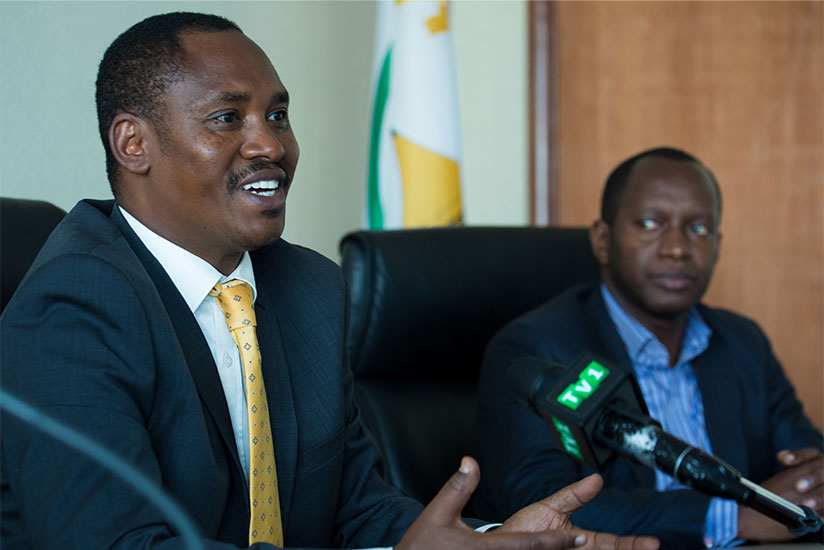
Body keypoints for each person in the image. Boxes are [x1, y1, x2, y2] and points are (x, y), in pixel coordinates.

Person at [0, 12, 660, 550]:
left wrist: (473, 542)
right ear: (133, 144)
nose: (272, 145)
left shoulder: (308, 288)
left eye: (278, 115)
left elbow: (356, 509)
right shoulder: (76, 302)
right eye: (229, 118)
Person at [475, 146, 824, 548]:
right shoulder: (535, 350)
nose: (677, 248)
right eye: (649, 224)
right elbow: (542, 508)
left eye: (698, 229)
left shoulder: (742, 341)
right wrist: (733, 519)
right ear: (603, 240)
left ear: (718, 244)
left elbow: (804, 458)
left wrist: (811, 481)